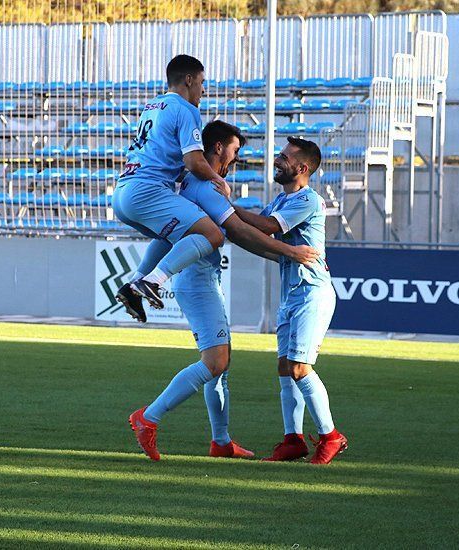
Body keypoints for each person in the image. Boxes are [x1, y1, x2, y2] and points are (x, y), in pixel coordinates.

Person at [127, 121, 321, 461]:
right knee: (216, 361)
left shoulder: (190, 184)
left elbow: (167, 237)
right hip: (197, 281)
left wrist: (141, 274)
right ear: (218, 148)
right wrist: (290, 253)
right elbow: (240, 231)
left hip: (200, 279)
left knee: (221, 364)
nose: (235, 159)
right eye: (234, 151)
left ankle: (221, 441)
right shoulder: (205, 186)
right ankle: (148, 418)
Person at [233, 137, 347, 465]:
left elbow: (267, 227)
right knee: (285, 369)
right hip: (292, 296)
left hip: (312, 294)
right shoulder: (282, 200)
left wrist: (228, 207)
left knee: (299, 367)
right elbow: (258, 233)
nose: (277, 161)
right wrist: (225, 220)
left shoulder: (308, 200)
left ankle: (330, 437)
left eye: (284, 157)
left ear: (302, 168)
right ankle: (293, 440)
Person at [112, 54, 226, 315]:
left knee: (175, 233)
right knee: (213, 235)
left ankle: (132, 286)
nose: (203, 90)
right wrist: (218, 180)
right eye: (201, 82)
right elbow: (194, 161)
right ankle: (152, 281)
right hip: (147, 190)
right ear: (188, 80)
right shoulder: (187, 110)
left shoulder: (153, 105)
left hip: (123, 193)